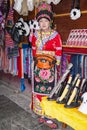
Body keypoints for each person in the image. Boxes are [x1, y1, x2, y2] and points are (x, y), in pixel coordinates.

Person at [29, 1, 62, 128]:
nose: (43, 24)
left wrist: (56, 64)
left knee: (49, 91)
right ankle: (41, 114)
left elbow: (59, 50)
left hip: (50, 68)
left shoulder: (55, 35)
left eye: (45, 21)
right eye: (41, 21)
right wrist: (34, 63)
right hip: (38, 67)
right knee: (38, 90)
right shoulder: (35, 34)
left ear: (50, 22)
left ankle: (48, 116)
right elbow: (33, 49)